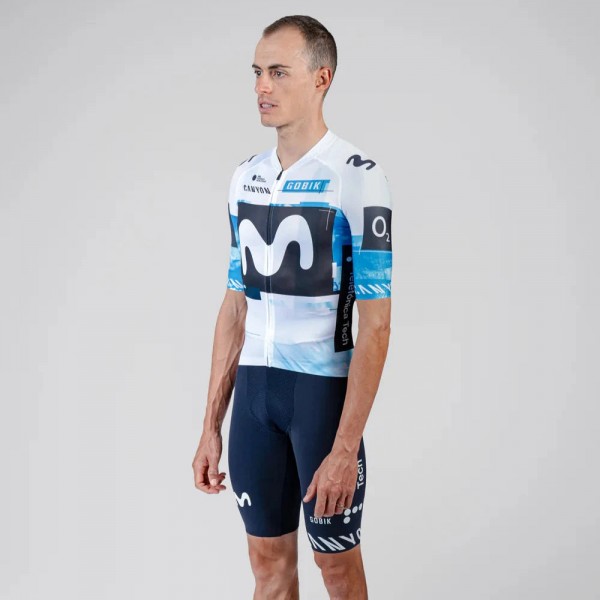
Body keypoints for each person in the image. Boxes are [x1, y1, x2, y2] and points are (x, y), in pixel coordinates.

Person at [192, 15, 392, 600]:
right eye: (257, 72)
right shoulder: (246, 178)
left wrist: (346, 447)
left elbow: (377, 325)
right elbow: (235, 307)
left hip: (321, 400)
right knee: (267, 568)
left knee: (336, 568)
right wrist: (210, 426)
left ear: (321, 78)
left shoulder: (357, 178)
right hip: (255, 397)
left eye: (279, 72)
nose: (262, 86)